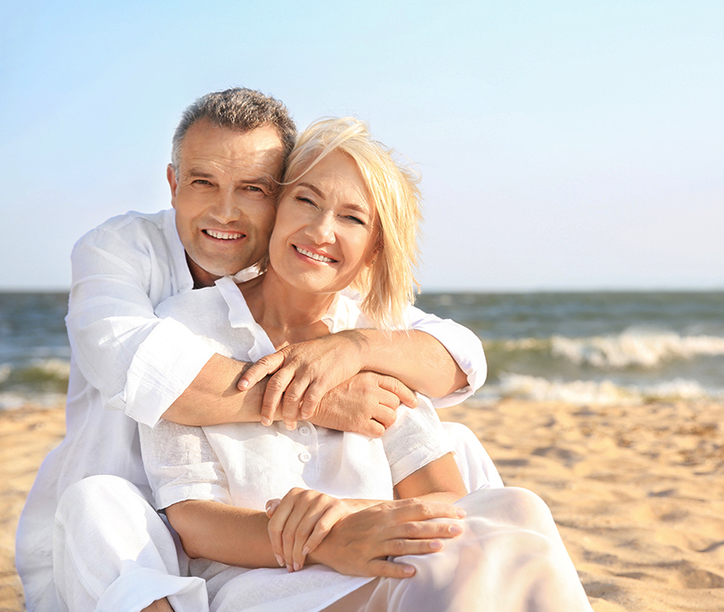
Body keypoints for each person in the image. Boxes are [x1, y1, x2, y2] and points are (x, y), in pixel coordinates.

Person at [16, 89, 500, 612]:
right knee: (98, 503)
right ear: (174, 184)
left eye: (252, 188)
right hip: (135, 536)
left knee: (471, 464)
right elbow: (140, 368)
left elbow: (458, 354)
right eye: (203, 182)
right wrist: (320, 396)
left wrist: (355, 347)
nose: (226, 210)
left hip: (259, 534)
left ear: (276, 197)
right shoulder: (119, 252)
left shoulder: (307, 275)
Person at [139, 116, 591, 611]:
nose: (321, 230)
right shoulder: (185, 325)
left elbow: (446, 497)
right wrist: (321, 538)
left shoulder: (374, 339)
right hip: (266, 581)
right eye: (305, 200)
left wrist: (353, 514)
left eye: (352, 218)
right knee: (499, 543)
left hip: (384, 561)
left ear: (375, 249)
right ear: (275, 208)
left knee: (517, 511)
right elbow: (192, 520)